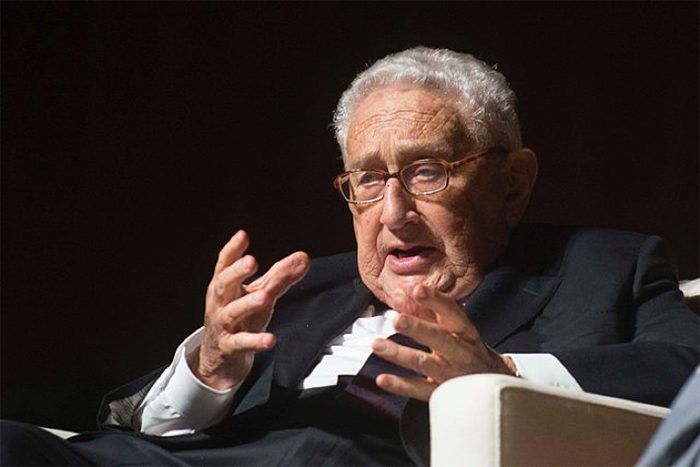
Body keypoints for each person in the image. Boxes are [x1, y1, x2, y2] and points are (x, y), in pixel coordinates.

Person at [2, 47, 699, 466]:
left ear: (512, 183)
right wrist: (208, 368)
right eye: (367, 179)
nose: (393, 212)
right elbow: (127, 425)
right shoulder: (304, 286)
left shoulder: (604, 267)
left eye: (427, 171)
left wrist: (503, 374)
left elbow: (686, 374)